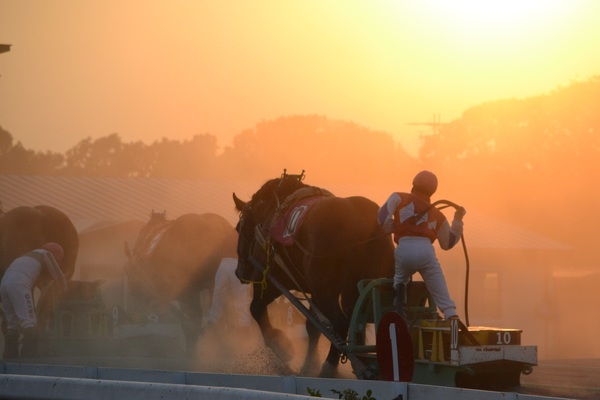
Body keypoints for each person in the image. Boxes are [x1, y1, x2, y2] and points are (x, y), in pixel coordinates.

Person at [378, 170, 466, 320]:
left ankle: (399, 304)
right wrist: (458, 220)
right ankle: (451, 314)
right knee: (441, 291)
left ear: (413, 185)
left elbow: (381, 216)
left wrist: (390, 227)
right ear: (432, 192)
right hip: (426, 251)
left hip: (404, 248)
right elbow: (447, 243)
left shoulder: (398, 197)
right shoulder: (438, 214)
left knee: (400, 277)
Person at [0, 242, 67, 359]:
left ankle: (10, 358)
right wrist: (66, 291)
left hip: (4, 284)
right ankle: (28, 359)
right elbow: (58, 275)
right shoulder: (45, 253)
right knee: (29, 323)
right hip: (19, 284)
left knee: (13, 325)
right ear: (56, 254)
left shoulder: (25, 257)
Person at [207, 257, 252, 330]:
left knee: (242, 302)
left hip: (242, 263)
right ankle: (210, 330)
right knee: (218, 298)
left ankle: (245, 335)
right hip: (226, 261)